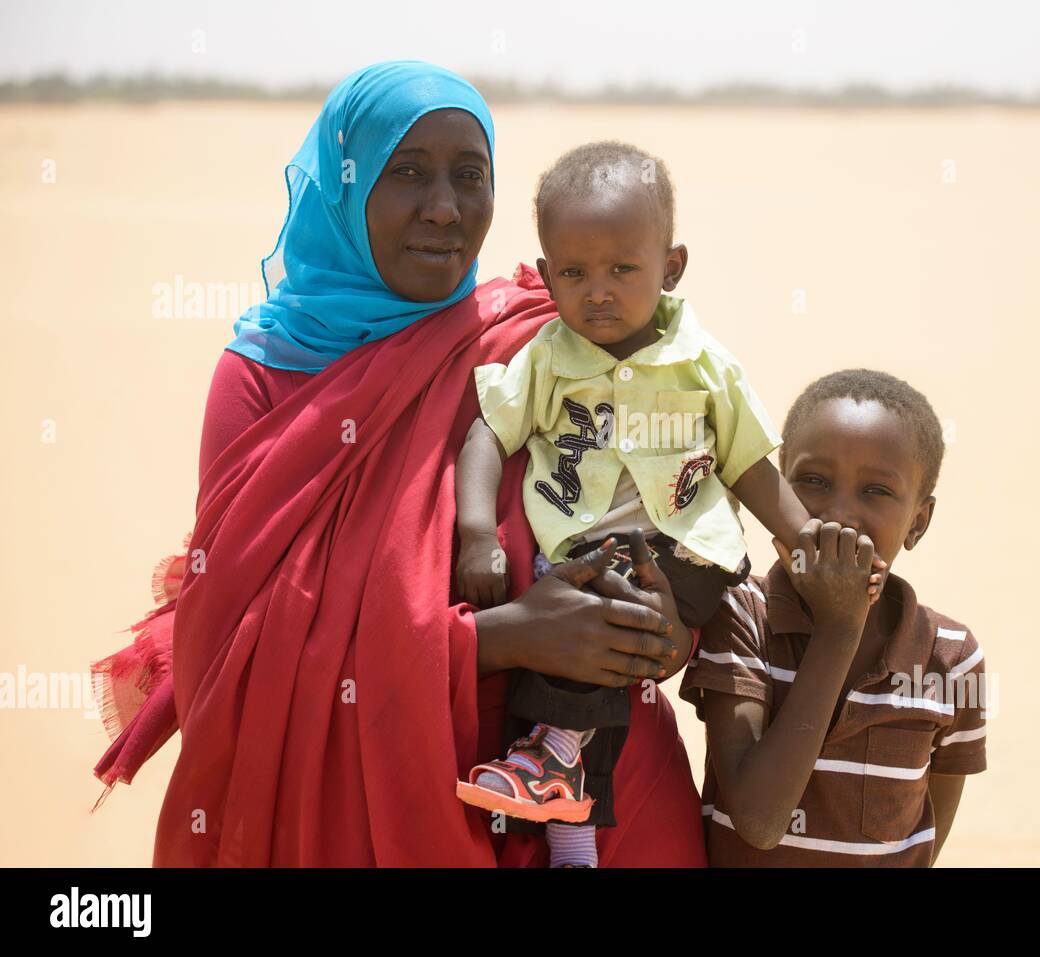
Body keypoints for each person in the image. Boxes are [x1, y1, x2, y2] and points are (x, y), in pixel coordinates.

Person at [87, 60, 705, 867]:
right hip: (373, 811)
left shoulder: (537, 337)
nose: (445, 209)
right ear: (344, 192)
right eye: (406, 173)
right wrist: (501, 637)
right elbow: (238, 647)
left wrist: (663, 630)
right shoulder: (264, 375)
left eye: (469, 176)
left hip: (600, 801)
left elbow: (674, 508)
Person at [451, 142, 886, 867]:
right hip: (587, 558)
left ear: (672, 267)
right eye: (574, 272)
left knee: (598, 607)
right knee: (575, 622)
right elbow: (486, 434)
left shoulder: (704, 364)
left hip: (690, 552)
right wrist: (475, 531)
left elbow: (748, 463)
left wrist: (805, 541)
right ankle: (573, 838)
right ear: (548, 270)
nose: (598, 291)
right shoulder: (548, 356)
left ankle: (554, 755)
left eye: (623, 269)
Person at [679, 369, 989, 866]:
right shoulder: (740, 614)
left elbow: (924, 841)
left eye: (876, 491)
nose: (838, 513)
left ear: (918, 523)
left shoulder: (949, 657)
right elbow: (759, 822)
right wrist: (840, 627)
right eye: (813, 482)